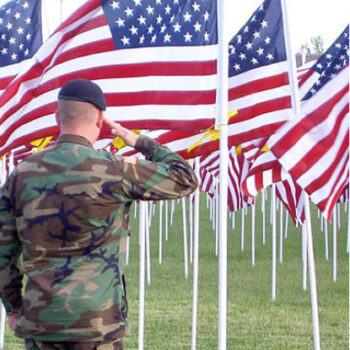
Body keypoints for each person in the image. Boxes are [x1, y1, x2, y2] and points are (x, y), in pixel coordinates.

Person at [0, 79, 198, 350]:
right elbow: (185, 178)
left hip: (41, 321)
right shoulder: (115, 170)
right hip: (97, 324)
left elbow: (3, 250)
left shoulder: (22, 173)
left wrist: (13, 306)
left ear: (58, 116)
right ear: (101, 119)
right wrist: (139, 141)